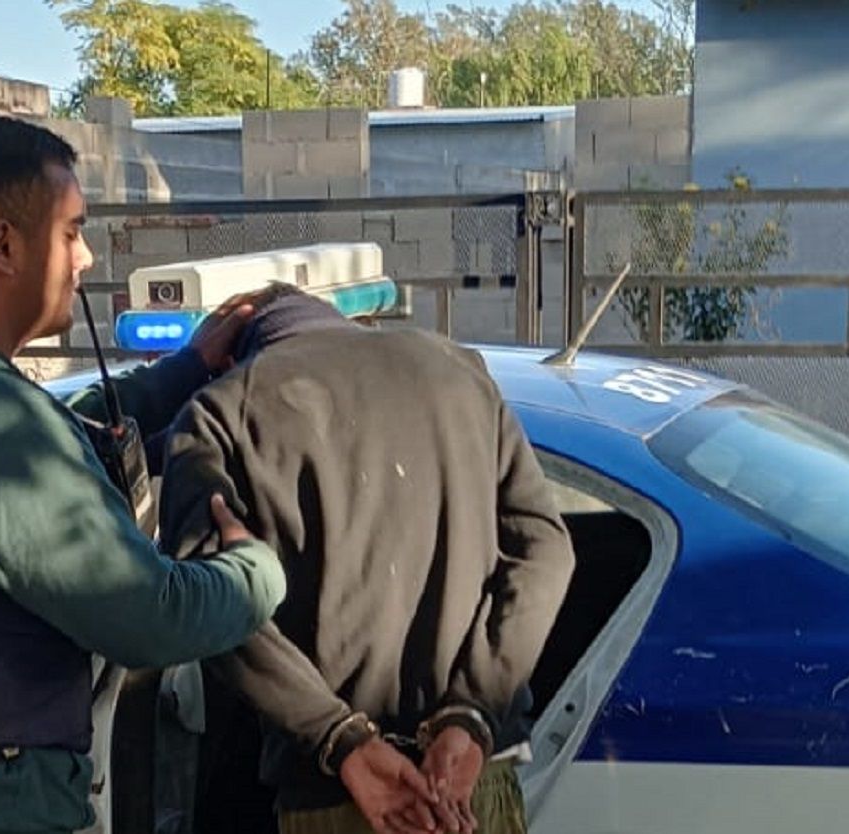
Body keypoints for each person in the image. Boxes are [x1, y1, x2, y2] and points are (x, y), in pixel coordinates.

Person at [0, 112, 286, 834]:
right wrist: (257, 570)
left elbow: (41, 432)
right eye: (71, 232)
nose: (86, 258)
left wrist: (184, 371)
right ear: (4, 244)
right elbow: (151, 618)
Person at [157, 285, 576, 834]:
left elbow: (206, 608)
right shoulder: (461, 372)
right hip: (469, 790)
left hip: (343, 797)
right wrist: (473, 711)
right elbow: (546, 548)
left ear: (230, 347)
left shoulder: (220, 413)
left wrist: (339, 737)